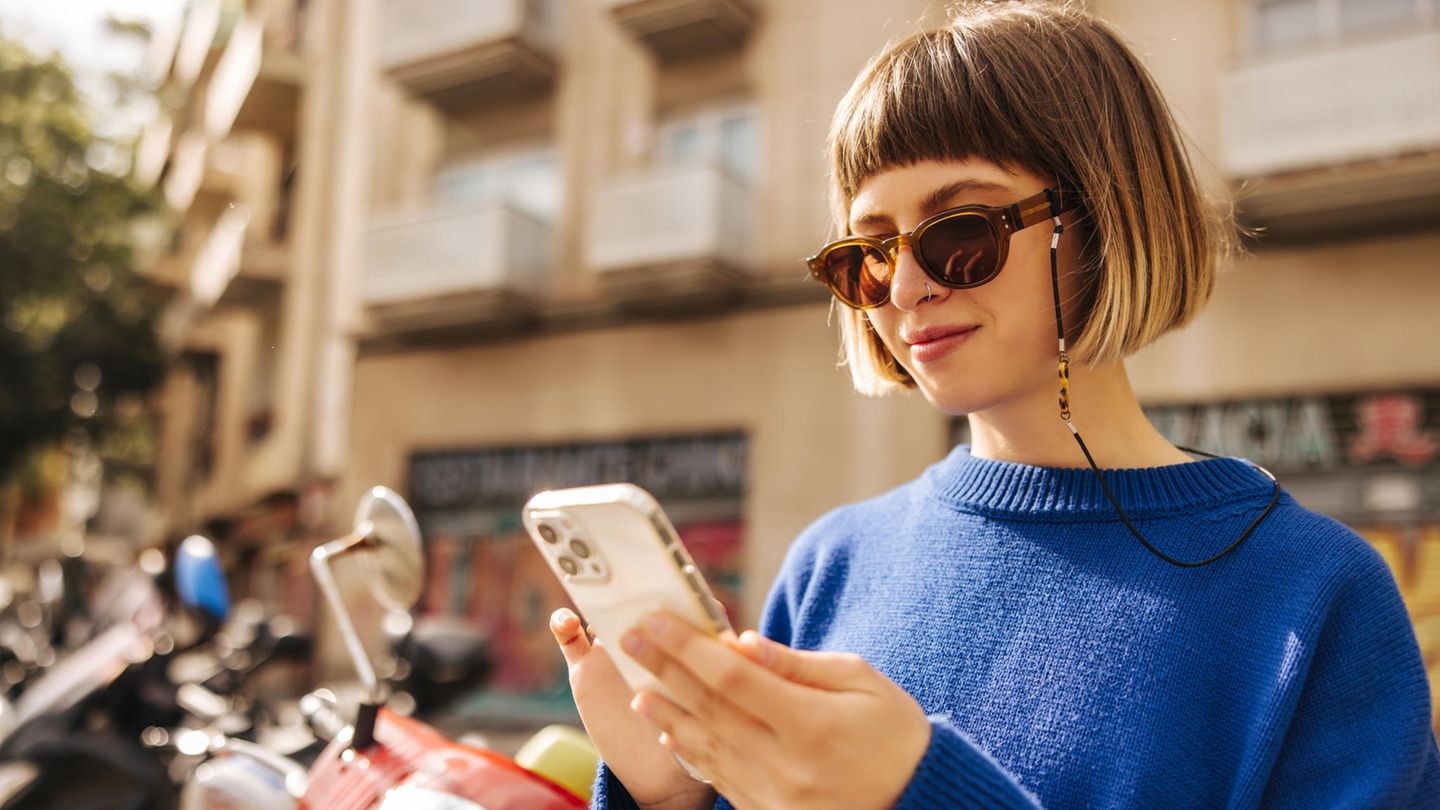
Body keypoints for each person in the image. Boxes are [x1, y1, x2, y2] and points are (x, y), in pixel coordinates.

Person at [548, 2, 1440, 807]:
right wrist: (671, 797)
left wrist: (919, 793)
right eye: (871, 253)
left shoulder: (1314, 591)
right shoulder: (833, 561)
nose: (908, 289)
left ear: (1104, 215)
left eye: (961, 232)